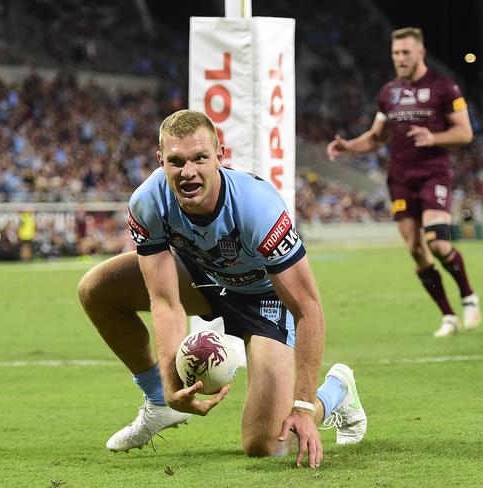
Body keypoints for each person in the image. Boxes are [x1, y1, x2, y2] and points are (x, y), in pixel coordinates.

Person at [78, 110, 367, 468]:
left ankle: (337, 391)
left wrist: (304, 404)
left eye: (200, 158)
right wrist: (170, 385)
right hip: (204, 279)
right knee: (96, 289)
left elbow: (309, 309)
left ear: (220, 156)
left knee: (265, 444)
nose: (189, 172)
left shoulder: (256, 207)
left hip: (265, 298)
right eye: (176, 161)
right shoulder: (147, 201)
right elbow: (165, 301)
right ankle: (157, 404)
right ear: (160, 161)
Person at [327, 27, 481, 338]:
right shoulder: (388, 92)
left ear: (421, 52)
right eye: (396, 53)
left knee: (437, 242)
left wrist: (434, 137)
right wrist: (348, 147)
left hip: (433, 174)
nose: (399, 58)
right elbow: (376, 137)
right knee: (415, 248)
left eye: (405, 52)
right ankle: (448, 316)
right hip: (399, 179)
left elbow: (465, 133)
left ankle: (468, 296)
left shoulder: (445, 87)